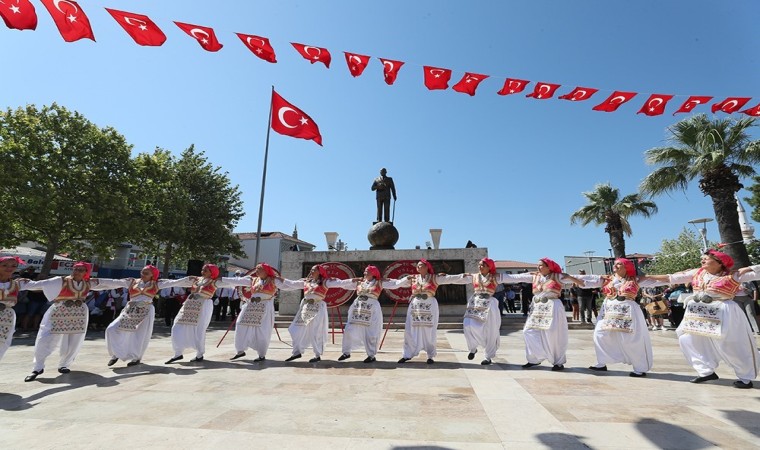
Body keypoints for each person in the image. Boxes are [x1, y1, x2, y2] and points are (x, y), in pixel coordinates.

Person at [648, 250, 760, 388]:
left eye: (706, 258)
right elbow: (670, 278)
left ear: (719, 262)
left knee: (731, 345)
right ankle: (705, 371)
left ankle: (745, 377)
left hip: (724, 310)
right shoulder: (697, 273)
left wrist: (748, 268)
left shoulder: (734, 275)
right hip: (698, 313)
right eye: (702, 258)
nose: (702, 260)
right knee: (686, 338)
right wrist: (644, 277)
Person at [22, 262, 124, 381]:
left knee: (74, 340)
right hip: (59, 312)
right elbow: (38, 285)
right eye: (75, 269)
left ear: (86, 272)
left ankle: (64, 364)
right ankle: (37, 367)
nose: (77, 272)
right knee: (46, 338)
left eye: (81, 270)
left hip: (79, 314)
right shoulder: (60, 280)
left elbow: (109, 283)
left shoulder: (89, 282)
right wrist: (20, 283)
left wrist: (128, 282)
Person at [580, 258, 669, 377]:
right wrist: (567, 277)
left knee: (630, 339)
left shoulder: (635, 279)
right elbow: (585, 281)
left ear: (626, 267)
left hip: (628, 311)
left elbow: (656, 279)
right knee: (599, 334)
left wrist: (673, 277)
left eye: (619, 264)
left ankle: (640, 368)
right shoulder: (607, 279)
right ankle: (601, 362)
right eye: (615, 264)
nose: (615, 266)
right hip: (609, 311)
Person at [500, 258, 584, 371]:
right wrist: (496, 276)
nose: (538, 267)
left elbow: (582, 282)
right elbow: (515, 277)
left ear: (548, 267)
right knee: (528, 331)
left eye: (541, 265)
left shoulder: (557, 276)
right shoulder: (534, 276)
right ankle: (535, 358)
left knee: (553, 334)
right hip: (537, 308)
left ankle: (558, 362)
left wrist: (571, 277)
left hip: (553, 306)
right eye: (538, 265)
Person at [163, 264, 252, 364]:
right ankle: (178, 353)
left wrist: (251, 279)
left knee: (199, 329)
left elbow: (234, 281)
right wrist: (188, 278)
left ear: (212, 272)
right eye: (202, 270)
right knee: (177, 326)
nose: (202, 272)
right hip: (189, 305)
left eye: (205, 270)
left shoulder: (216, 282)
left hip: (203, 305)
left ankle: (199, 354)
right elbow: (178, 282)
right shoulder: (196, 280)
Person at [391, 259, 465, 364]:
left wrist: (468, 276)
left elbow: (452, 279)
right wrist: (381, 281)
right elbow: (396, 283)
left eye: (421, 265)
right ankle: (407, 354)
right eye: (417, 265)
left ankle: (430, 355)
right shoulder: (412, 278)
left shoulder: (435, 277)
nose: (418, 267)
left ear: (427, 267)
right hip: (415, 306)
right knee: (411, 330)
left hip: (429, 305)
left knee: (429, 330)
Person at [103, 265, 172, 367]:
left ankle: (136, 358)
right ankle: (115, 354)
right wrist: (91, 281)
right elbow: (113, 282)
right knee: (112, 329)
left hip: (146, 310)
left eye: (146, 273)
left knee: (139, 335)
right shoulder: (132, 281)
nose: (143, 274)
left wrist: (194, 280)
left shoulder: (157, 283)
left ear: (153, 275)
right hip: (130, 310)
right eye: (142, 272)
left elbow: (176, 282)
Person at [330, 265, 400, 363]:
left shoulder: (380, 282)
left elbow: (396, 283)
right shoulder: (359, 282)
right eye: (365, 271)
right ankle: (346, 352)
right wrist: (332, 281)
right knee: (349, 329)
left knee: (371, 332)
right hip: (357, 309)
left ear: (373, 273)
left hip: (372, 309)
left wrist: (408, 279)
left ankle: (371, 355)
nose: (364, 273)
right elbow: (343, 284)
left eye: (367, 271)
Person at [278, 264, 346, 363]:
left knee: (316, 332)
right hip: (305, 309)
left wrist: (353, 281)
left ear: (320, 272)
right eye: (311, 270)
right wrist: (280, 279)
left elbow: (340, 283)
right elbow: (292, 284)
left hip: (317, 308)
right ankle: (297, 352)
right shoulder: (306, 282)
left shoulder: (325, 282)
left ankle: (317, 355)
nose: (311, 271)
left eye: (314, 270)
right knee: (295, 329)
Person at [445, 258, 503, 365]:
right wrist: (445, 277)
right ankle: (473, 348)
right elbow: (458, 279)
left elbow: (515, 277)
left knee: (490, 330)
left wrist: (532, 276)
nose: (480, 267)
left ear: (489, 267)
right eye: (479, 265)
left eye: (483, 265)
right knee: (467, 325)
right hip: (475, 304)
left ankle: (488, 356)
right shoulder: (474, 276)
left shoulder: (496, 277)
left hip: (489, 305)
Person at [230, 263, 284, 363]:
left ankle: (261, 354)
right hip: (251, 306)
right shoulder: (252, 280)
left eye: (259, 269)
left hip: (265, 307)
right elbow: (236, 280)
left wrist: (304, 282)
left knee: (262, 330)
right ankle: (240, 350)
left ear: (266, 271)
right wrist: (219, 279)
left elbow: (289, 284)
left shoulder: (274, 280)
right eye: (256, 269)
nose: (256, 271)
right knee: (240, 324)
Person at [0, 256, 26, 361]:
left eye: (13, 266)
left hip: (7, 316)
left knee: (3, 343)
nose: (9, 268)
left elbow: (39, 285)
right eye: (5, 265)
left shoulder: (17, 283)